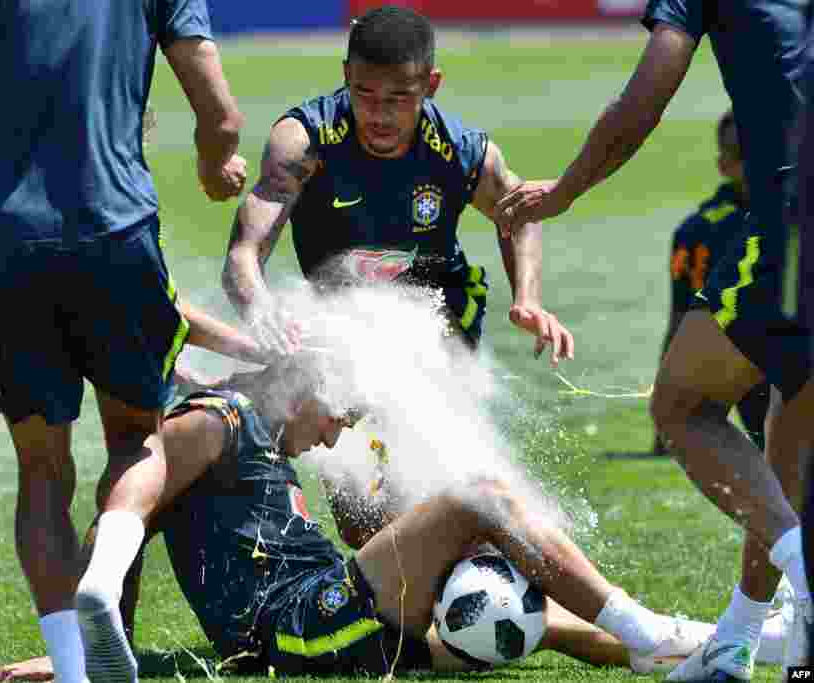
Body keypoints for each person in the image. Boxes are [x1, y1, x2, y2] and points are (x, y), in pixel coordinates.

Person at [0, 355, 790, 682]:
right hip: (292, 625)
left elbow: (358, 531)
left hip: (337, 610)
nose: (340, 430)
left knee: (523, 609)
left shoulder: (270, 443)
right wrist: (80, 648)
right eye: (343, 412)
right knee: (479, 495)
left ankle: (697, 649)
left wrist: (371, 493)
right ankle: (648, 629)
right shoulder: (215, 421)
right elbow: (122, 515)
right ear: (310, 378)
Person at [0, 0, 247, 681]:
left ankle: (72, 668)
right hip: (115, 227)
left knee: (41, 471)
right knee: (136, 438)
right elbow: (221, 115)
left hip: (7, 240)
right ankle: (106, 568)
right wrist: (217, 166)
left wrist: (22, 142)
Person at [493, 2, 810, 679]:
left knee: (684, 407)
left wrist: (565, 190)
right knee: (792, 414)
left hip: (796, 212)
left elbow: (641, 105)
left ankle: (807, 583)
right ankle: (736, 643)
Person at [222, 5, 573, 365]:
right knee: (313, 397)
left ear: (430, 85)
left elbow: (520, 213)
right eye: (365, 93)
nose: (380, 114)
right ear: (346, 75)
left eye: (399, 97)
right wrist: (260, 307)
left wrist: (527, 298)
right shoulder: (306, 141)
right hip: (341, 312)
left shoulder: (460, 151)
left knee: (407, 396)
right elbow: (244, 253)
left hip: (440, 307)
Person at [650, 111, 770, 456]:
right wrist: (666, 424)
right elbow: (682, 320)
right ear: (725, 166)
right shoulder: (702, 233)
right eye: (745, 155)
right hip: (755, 373)